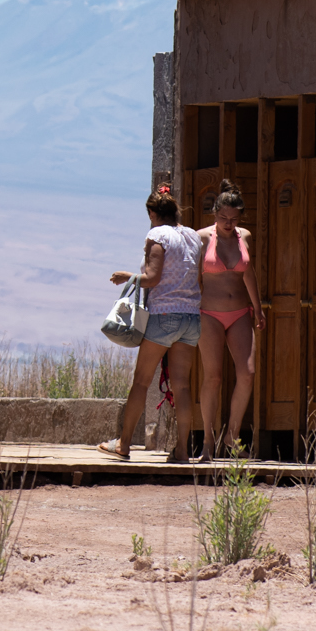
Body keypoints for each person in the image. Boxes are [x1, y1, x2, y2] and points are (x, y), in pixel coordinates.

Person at [101, 187, 205, 462]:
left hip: (164, 316)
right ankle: (182, 450)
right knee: (181, 386)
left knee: (141, 382)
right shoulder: (193, 236)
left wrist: (129, 277)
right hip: (191, 318)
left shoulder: (157, 236)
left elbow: (152, 278)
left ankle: (123, 444)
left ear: (152, 214)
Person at [191, 185, 262, 460]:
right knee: (214, 376)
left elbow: (249, 273)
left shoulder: (244, 237)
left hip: (239, 311)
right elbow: (193, 276)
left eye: (234, 219)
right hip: (208, 312)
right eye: (223, 218)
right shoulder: (201, 238)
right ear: (215, 214)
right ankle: (208, 442)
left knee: (247, 373)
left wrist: (258, 308)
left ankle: (232, 437)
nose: (229, 224)